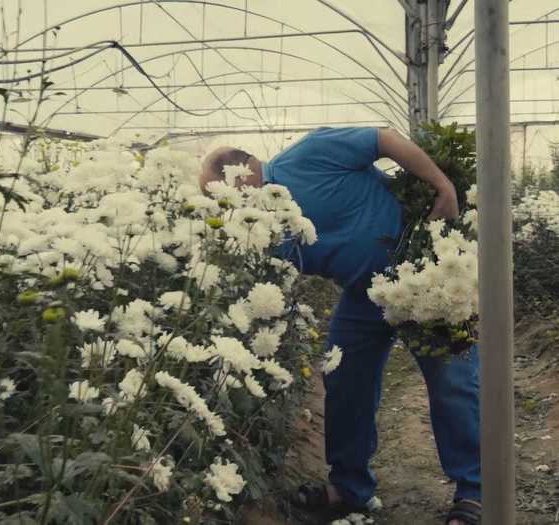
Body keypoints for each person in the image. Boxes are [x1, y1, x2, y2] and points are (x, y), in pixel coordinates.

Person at [198, 127, 481, 525]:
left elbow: (385, 139)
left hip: (426, 272)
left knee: (453, 380)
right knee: (343, 375)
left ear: (241, 174)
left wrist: (442, 185)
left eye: (221, 194)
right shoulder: (260, 226)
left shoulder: (309, 156)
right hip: (365, 294)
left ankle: (475, 491)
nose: (224, 206)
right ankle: (350, 487)